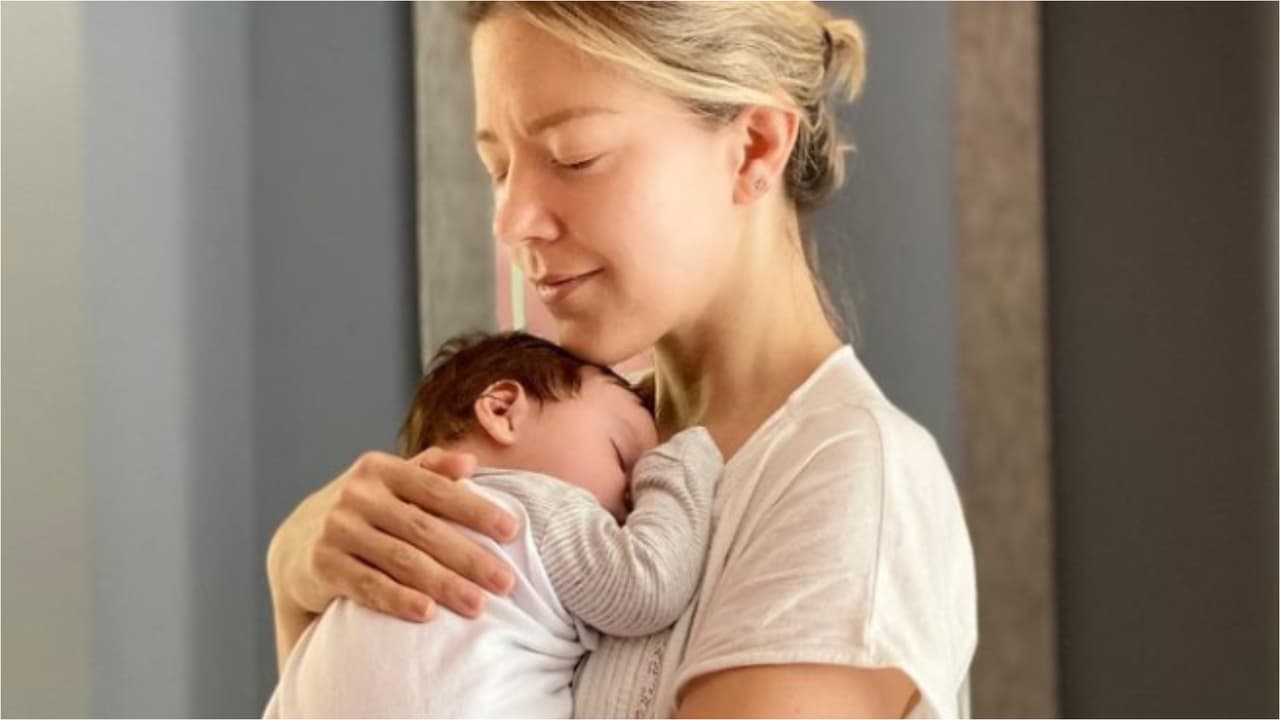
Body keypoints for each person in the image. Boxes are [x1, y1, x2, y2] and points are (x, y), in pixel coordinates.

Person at [266, 2, 978, 717]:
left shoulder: (848, 481)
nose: (512, 221)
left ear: (755, 147)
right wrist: (297, 586)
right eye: (498, 167)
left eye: (575, 155)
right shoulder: (569, 459)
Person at [264, 331, 722, 717]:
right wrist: (683, 456)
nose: (631, 500)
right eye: (623, 457)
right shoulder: (532, 507)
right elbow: (647, 586)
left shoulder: (377, 547)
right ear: (502, 410)